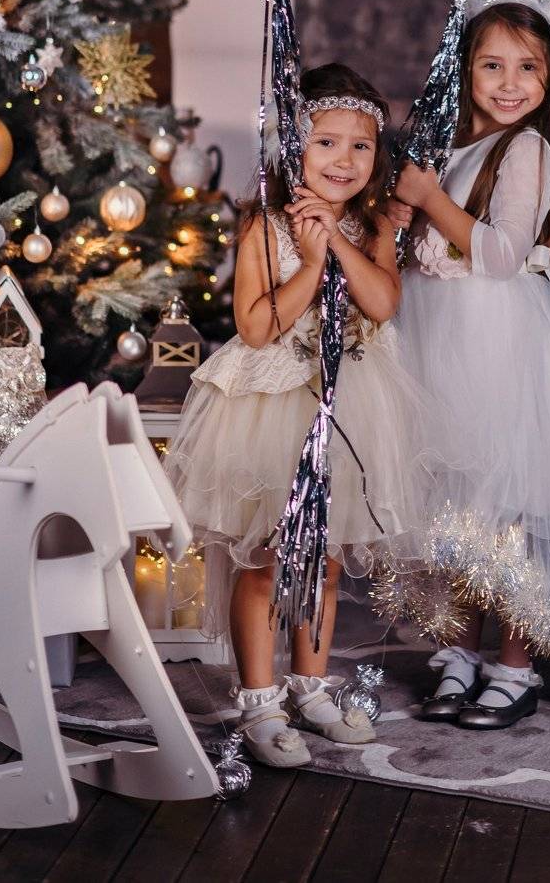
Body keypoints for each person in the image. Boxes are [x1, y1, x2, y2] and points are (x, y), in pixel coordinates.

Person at [165, 64, 426, 768]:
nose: (344, 159)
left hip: (348, 410)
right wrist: (310, 263)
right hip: (271, 409)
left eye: (361, 146)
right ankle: (259, 700)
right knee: (268, 560)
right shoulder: (263, 224)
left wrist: (336, 240)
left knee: (327, 561)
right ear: (293, 149)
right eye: (326, 142)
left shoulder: (374, 225)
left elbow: (382, 304)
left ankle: (310, 688)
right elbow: (256, 328)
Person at [389, 0, 550, 730]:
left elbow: (498, 256)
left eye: (528, 67)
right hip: (440, 344)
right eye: (492, 65)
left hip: (501, 348)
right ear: (466, 69)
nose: (509, 82)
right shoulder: (454, 147)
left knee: (512, 509)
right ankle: (460, 654)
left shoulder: (526, 148)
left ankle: (516, 666)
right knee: (460, 506)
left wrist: (429, 200)